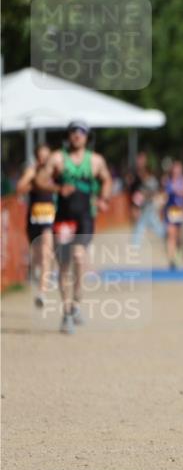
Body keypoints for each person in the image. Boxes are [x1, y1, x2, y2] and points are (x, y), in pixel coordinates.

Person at [34, 120, 112, 334]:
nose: (77, 135)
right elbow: (39, 180)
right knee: (64, 265)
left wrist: (104, 198)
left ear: (87, 137)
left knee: (79, 256)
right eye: (73, 132)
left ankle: (76, 302)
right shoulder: (58, 158)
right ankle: (68, 312)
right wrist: (58, 187)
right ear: (68, 136)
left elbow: (107, 180)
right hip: (63, 218)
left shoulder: (95, 161)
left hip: (85, 217)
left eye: (82, 132)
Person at [16, 144, 55, 308]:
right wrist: (35, 184)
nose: (43, 159)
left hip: (49, 218)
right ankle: (37, 273)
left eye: (46, 156)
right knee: (38, 254)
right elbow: (20, 188)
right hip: (34, 218)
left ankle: (42, 292)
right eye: (41, 156)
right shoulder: (31, 171)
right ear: (37, 157)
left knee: (47, 251)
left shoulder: (54, 171)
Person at [162, 160, 183, 270]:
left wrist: (182, 192)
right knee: (171, 234)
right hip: (169, 210)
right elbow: (165, 196)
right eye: (175, 168)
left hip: (179, 210)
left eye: (178, 168)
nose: (176, 171)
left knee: (177, 236)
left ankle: (178, 252)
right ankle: (171, 260)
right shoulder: (168, 180)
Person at [128, 152, 163, 248]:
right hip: (141, 205)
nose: (139, 161)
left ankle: (135, 244)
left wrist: (143, 197)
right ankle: (135, 244)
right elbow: (134, 191)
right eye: (139, 159)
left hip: (148, 205)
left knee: (145, 223)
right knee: (145, 223)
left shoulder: (150, 177)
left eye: (142, 159)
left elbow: (154, 192)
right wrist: (135, 205)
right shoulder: (135, 175)